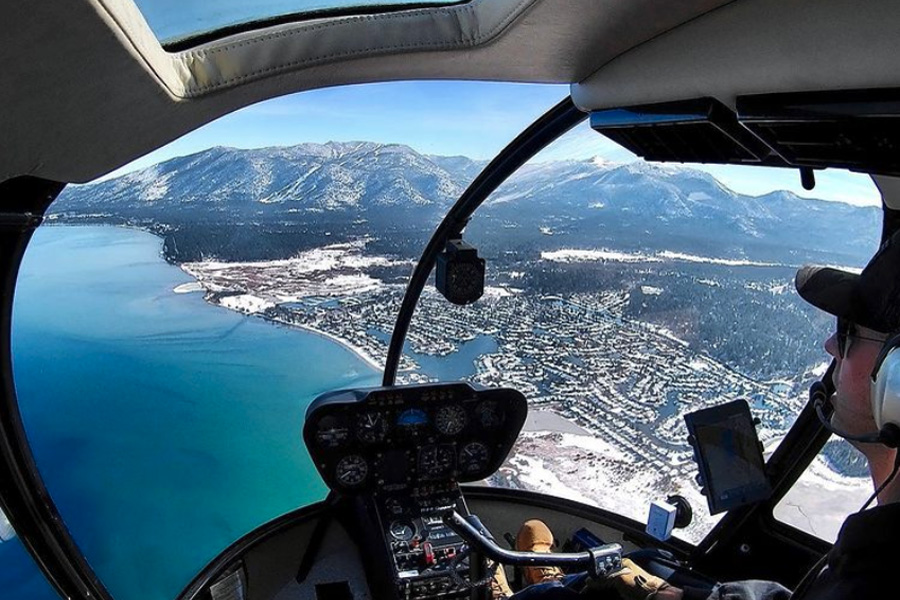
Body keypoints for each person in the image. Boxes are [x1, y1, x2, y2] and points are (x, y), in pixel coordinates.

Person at [491, 231, 900, 600]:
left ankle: (536, 590)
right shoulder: (875, 553)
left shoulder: (877, 577)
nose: (831, 345)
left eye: (848, 330)